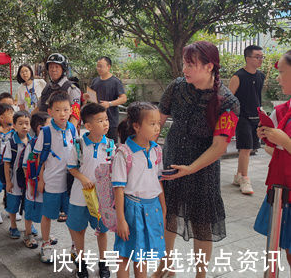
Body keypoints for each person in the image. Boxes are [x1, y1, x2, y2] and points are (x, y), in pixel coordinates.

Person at [152, 41, 239, 278]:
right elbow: (157, 122)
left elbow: (219, 146)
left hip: (203, 169)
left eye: (191, 64)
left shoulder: (228, 102)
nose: (185, 69)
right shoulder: (177, 87)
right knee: (167, 213)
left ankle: (201, 274)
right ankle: (166, 266)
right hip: (172, 160)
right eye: (184, 63)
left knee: (202, 223)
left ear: (210, 66)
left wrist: (191, 168)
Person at [112, 102, 165, 278]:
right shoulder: (124, 153)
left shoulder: (157, 150)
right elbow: (118, 189)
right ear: (136, 126)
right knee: (125, 255)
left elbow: (158, 182)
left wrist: (163, 209)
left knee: (143, 257)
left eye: (158, 123)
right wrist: (121, 220)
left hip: (152, 207)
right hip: (132, 209)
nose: (157, 127)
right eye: (152, 124)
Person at [254, 50, 291, 270]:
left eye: (283, 72)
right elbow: (273, 150)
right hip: (281, 189)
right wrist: (269, 137)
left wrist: (285, 141)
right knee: (285, 247)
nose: (278, 78)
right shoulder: (282, 109)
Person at [67, 103, 113, 278]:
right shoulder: (78, 145)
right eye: (100, 120)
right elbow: (71, 167)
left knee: (102, 230)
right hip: (80, 196)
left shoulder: (110, 145)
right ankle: (81, 262)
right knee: (79, 230)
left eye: (106, 119)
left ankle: (103, 263)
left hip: (102, 198)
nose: (105, 123)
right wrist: (83, 178)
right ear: (88, 126)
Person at [35, 91, 77, 263]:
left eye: (66, 110)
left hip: (70, 183)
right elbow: (39, 157)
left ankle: (76, 245)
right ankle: (46, 244)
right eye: (58, 110)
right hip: (51, 182)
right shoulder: (45, 132)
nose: (62, 114)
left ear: (71, 110)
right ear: (50, 111)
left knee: (72, 216)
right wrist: (41, 179)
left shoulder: (72, 128)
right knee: (47, 215)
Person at [228, 45, 265, 195]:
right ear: (248, 58)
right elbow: (229, 99)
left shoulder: (261, 76)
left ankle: (238, 175)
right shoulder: (238, 76)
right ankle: (244, 178)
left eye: (262, 57)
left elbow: (257, 97)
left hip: (256, 117)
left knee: (250, 148)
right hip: (241, 117)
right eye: (257, 57)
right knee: (246, 148)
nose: (260, 59)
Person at [22, 111, 51, 249]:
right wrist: (31, 184)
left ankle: (46, 235)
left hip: (48, 183)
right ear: (40, 128)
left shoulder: (51, 143)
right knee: (30, 209)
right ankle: (28, 234)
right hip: (33, 184)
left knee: (47, 210)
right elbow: (25, 166)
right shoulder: (32, 145)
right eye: (49, 125)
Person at [84, 56, 127, 141]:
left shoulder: (115, 81)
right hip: (96, 120)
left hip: (111, 120)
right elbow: (92, 98)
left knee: (111, 146)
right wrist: (86, 97)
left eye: (101, 66)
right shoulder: (95, 81)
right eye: (97, 66)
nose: (98, 68)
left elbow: (123, 98)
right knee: (97, 142)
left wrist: (109, 104)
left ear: (108, 67)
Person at [3, 110, 31, 238]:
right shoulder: (11, 142)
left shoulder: (32, 142)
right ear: (14, 125)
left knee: (28, 203)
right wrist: (8, 182)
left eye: (27, 123)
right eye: (20, 123)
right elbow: (7, 163)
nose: (24, 126)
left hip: (27, 180)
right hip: (14, 180)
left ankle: (29, 226)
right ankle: (13, 226)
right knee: (13, 203)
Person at [39, 53, 81, 128]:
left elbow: (75, 115)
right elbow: (39, 107)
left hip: (63, 131)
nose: (53, 70)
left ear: (63, 69)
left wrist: (68, 133)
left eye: (57, 67)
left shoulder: (71, 89)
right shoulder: (47, 87)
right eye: (51, 67)